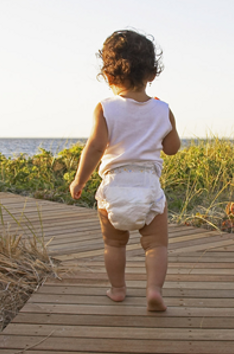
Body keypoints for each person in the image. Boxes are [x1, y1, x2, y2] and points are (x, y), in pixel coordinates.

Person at [69, 30, 181, 312]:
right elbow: (172, 148)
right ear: (152, 74)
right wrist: (167, 126)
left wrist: (79, 181)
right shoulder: (162, 110)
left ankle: (118, 290)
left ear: (107, 76)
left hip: (114, 186)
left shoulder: (105, 109)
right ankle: (153, 290)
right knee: (156, 246)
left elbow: (94, 148)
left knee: (114, 245)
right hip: (148, 186)